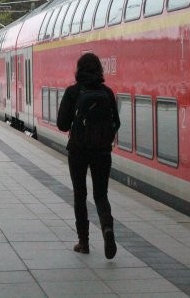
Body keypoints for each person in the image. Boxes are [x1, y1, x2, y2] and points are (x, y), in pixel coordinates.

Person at [56, 53, 120, 259]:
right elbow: (116, 123)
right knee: (101, 195)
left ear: (79, 70)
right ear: (99, 69)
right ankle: (107, 229)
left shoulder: (73, 92)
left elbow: (62, 124)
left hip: (78, 151)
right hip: (102, 151)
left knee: (80, 194)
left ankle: (83, 242)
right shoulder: (107, 93)